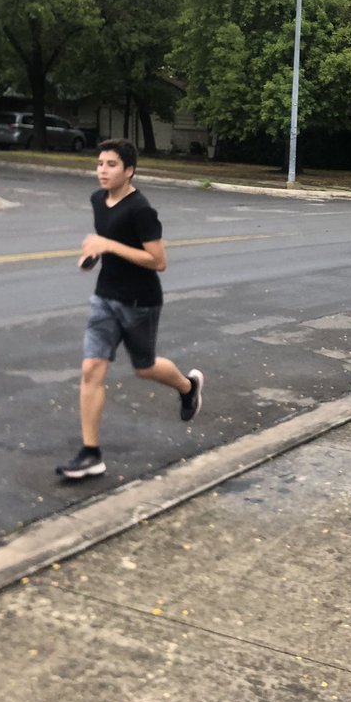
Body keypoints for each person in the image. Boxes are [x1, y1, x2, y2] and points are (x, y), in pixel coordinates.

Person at [57, 138, 204, 479]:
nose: (102, 171)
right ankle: (91, 453)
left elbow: (158, 261)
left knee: (145, 367)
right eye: (99, 164)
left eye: (111, 165)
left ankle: (188, 387)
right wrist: (92, 255)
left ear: (129, 171)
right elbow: (105, 240)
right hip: (105, 297)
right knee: (92, 368)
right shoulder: (98, 200)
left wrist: (108, 244)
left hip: (140, 301)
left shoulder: (141, 211)